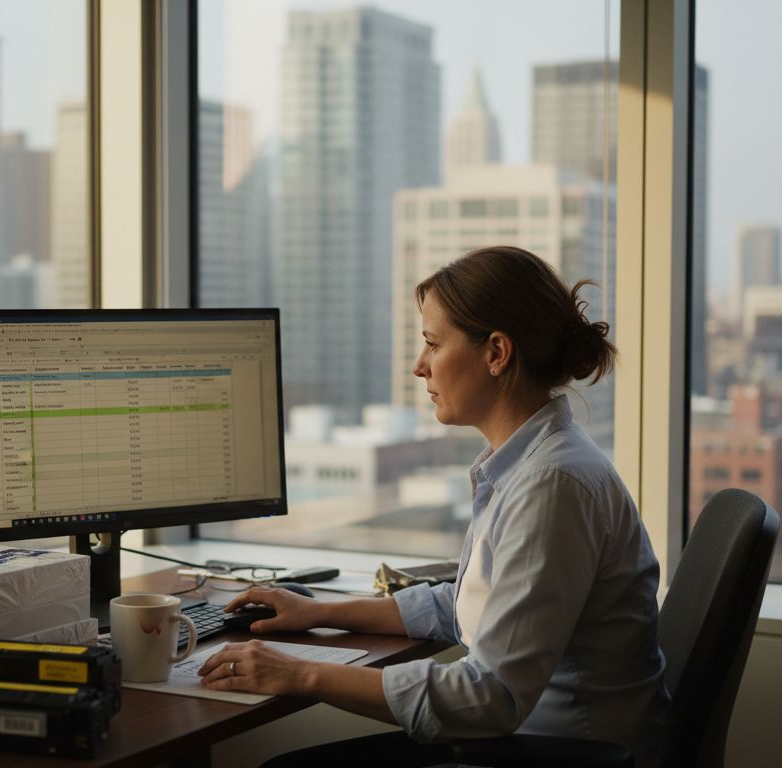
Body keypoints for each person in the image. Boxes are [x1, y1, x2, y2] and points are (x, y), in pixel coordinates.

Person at [197, 246, 669, 767]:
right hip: (533, 741)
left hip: (563, 752)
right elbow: (466, 606)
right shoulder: (530, 462)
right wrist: (318, 611)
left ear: (496, 353)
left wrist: (301, 673)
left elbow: (491, 697)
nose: (419, 366)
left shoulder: (551, 484)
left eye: (432, 344)